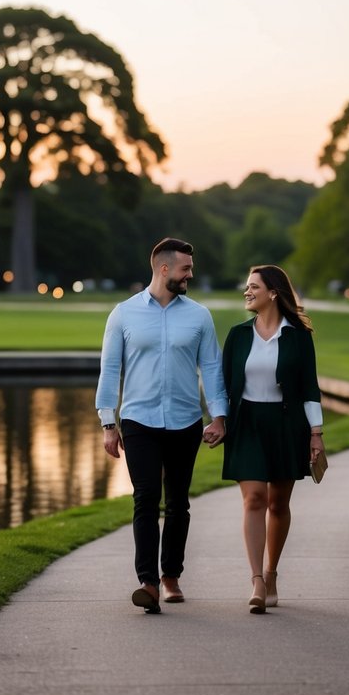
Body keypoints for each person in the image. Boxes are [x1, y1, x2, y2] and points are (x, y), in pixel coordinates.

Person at [96, 237, 228, 614]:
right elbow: (110, 369)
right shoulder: (123, 314)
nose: (191, 274)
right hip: (139, 421)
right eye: (186, 268)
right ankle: (148, 583)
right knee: (145, 498)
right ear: (164, 269)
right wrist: (109, 422)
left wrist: (219, 416)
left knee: (178, 503)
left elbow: (213, 369)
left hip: (186, 420)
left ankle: (171, 577)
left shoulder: (199, 316)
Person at [221, 264, 325, 614]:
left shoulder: (298, 336)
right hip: (247, 423)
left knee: (278, 504)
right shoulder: (237, 335)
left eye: (253, 287)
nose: (247, 292)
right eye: (246, 287)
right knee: (254, 498)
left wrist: (316, 433)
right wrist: (219, 421)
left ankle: (272, 572)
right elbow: (223, 387)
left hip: (286, 425)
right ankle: (256, 581)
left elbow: (310, 388)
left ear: (274, 293)